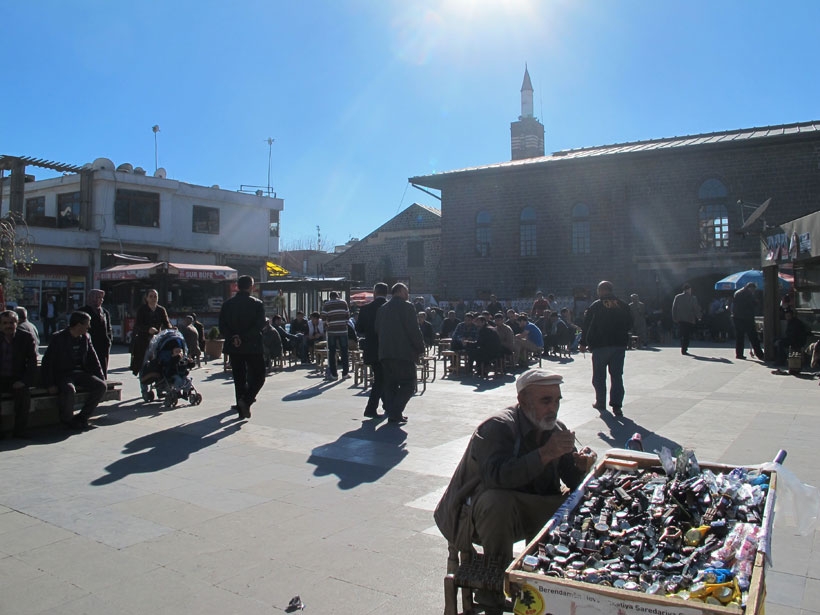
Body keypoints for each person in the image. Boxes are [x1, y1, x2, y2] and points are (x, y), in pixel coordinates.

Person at [434, 369, 597, 614]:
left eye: (556, 400)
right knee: (496, 500)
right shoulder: (497, 428)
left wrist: (580, 467)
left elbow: (572, 481)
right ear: (523, 401)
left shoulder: (555, 429)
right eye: (545, 401)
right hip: (487, 519)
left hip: (536, 509)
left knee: (581, 505)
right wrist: (544, 454)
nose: (553, 408)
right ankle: (494, 587)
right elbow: (496, 477)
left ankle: (553, 574)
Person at [40, 311, 107, 431]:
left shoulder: (86, 337)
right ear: (78, 325)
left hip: (81, 373)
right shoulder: (58, 338)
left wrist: (101, 378)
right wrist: (50, 384)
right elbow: (47, 362)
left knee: (101, 386)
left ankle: (82, 418)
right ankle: (67, 420)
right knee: (69, 389)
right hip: (64, 374)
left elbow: (94, 359)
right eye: (87, 324)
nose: (89, 327)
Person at [580, 280, 632, 418]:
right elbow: (630, 323)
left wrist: (583, 342)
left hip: (600, 346)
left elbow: (587, 325)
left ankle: (600, 402)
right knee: (616, 376)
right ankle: (617, 406)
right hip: (619, 345)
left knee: (599, 376)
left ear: (602, 290)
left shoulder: (596, 306)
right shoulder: (623, 305)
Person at [375, 283, 425, 424]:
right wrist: (420, 348)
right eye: (407, 291)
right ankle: (395, 412)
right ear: (401, 291)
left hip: (385, 353)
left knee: (390, 385)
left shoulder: (382, 309)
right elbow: (414, 330)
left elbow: (377, 329)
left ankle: (393, 414)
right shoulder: (407, 307)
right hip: (403, 353)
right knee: (409, 384)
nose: (408, 294)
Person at [219, 275, 266, 419]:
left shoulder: (227, 304)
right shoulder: (257, 304)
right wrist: (243, 337)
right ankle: (246, 401)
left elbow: (222, 326)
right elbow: (259, 325)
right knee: (259, 376)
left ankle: (242, 408)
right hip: (252, 345)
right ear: (251, 286)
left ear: (237, 286)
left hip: (234, 346)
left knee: (239, 377)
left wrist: (234, 337)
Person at [0, 310, 38, 439]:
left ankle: (19, 431)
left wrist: (24, 381)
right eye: (4, 323)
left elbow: (32, 362)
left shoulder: (25, 337)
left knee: (24, 396)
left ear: (17, 323)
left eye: (11, 322)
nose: (8, 326)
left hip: (17, 378)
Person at [356, 283, 389, 418]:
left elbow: (359, 329)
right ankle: (371, 408)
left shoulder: (365, 309)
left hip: (371, 348)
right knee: (382, 379)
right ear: (386, 293)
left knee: (381, 377)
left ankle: (388, 405)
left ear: (375, 293)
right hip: (387, 348)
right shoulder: (390, 308)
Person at [129, 289, 171, 375]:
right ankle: (144, 386)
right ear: (147, 298)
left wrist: (172, 329)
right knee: (143, 364)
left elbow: (166, 324)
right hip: (143, 341)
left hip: (157, 340)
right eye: (151, 296)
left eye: (155, 296)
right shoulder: (142, 309)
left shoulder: (161, 310)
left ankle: (159, 385)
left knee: (158, 363)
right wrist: (148, 329)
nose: (153, 298)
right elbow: (138, 325)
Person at [79, 289, 114, 377]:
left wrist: (109, 339)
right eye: (99, 297)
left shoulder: (105, 312)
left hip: (103, 346)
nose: (101, 300)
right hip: (89, 344)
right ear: (93, 298)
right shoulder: (83, 311)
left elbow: (109, 328)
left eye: (102, 298)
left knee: (102, 369)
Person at [321, 291, 351, 380]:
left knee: (332, 352)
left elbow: (323, 317)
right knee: (344, 351)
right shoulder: (343, 302)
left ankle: (334, 374)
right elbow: (347, 315)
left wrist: (326, 325)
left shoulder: (327, 304)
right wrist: (344, 323)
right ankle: (345, 373)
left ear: (330, 297)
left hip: (332, 331)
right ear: (338, 296)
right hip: (343, 330)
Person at [732, 282, 764, 360]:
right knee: (753, 337)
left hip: (737, 317)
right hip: (747, 318)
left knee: (740, 337)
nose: (754, 291)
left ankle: (739, 354)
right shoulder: (748, 294)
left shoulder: (737, 293)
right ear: (750, 288)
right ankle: (759, 354)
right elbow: (752, 304)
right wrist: (756, 301)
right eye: (753, 289)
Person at [671, 284, 701, 356]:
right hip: (689, 319)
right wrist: (699, 316)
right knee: (687, 334)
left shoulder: (677, 297)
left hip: (680, 319)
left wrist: (674, 317)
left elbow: (674, 308)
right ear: (688, 289)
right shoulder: (692, 298)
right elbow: (695, 308)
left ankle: (683, 346)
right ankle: (684, 348)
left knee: (682, 333)